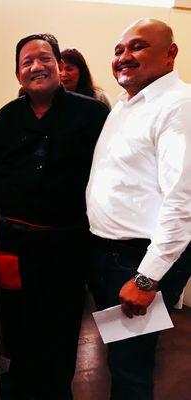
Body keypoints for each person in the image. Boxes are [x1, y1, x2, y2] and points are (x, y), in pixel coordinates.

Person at [0, 33, 109, 399]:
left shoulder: (93, 114)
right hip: (15, 244)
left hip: (69, 243)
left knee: (61, 329)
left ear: (59, 66)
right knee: (16, 327)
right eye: (27, 62)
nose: (36, 66)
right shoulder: (7, 116)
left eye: (44, 58)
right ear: (19, 75)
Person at [86, 18, 191, 400]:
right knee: (120, 358)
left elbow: (184, 202)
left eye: (138, 47)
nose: (124, 57)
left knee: (131, 367)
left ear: (170, 53)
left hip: (138, 258)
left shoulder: (179, 106)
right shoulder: (127, 104)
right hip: (108, 252)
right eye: (118, 50)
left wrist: (147, 278)